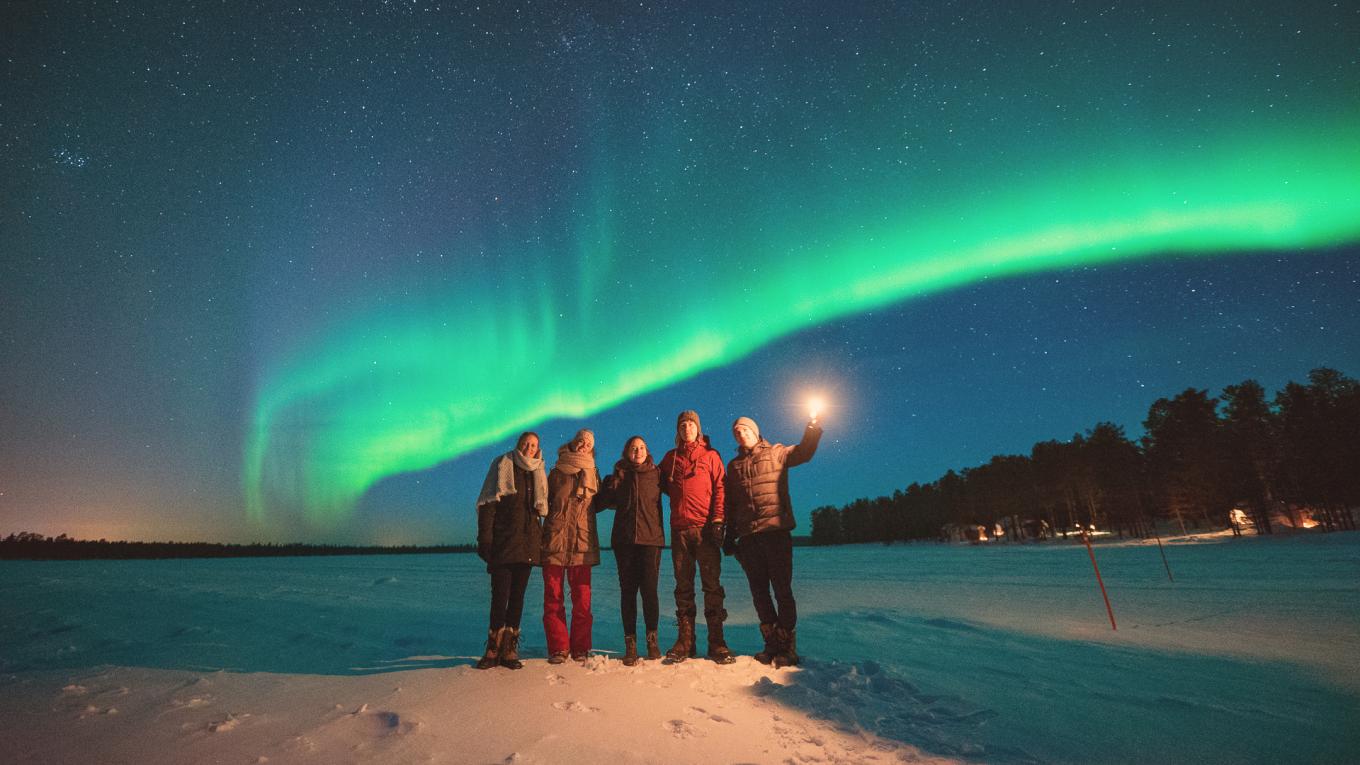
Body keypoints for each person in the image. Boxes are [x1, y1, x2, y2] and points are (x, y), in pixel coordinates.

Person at [724, 414, 822, 667]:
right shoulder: (733, 466)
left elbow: (804, 453)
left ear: (755, 431)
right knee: (759, 593)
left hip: (775, 533)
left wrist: (812, 428)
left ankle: (787, 645)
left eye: (745, 429)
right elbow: (731, 504)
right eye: (737, 432)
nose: (741, 434)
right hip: (748, 538)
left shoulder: (776, 453)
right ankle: (771, 644)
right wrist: (729, 535)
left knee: (782, 590)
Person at [658, 410, 734, 664]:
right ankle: (685, 642)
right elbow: (657, 481)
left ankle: (717, 642)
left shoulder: (711, 456)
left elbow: (721, 488)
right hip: (679, 531)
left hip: (705, 530)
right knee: (683, 587)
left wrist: (718, 519)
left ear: (698, 428)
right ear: (678, 430)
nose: (686, 428)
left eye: (691, 424)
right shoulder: (671, 458)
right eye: (682, 425)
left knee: (712, 585)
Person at [473, 431, 548, 670]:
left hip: (528, 545)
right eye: (525, 443)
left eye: (533, 445)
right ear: (518, 444)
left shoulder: (538, 470)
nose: (529, 448)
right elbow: (488, 504)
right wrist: (485, 540)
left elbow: (540, 511)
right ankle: (492, 649)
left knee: (517, 598)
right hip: (504, 543)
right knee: (500, 597)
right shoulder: (502, 464)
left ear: (537, 449)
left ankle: (509, 649)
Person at [599, 436, 666, 665]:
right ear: (627, 452)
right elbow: (599, 504)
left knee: (649, 591)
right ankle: (631, 645)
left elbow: (679, 491)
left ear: (647, 451)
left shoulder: (657, 474)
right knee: (628, 592)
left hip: (651, 540)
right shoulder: (619, 475)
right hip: (624, 541)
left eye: (642, 447)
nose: (638, 451)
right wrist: (602, 485)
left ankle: (652, 641)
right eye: (633, 448)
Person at [541, 429, 603, 663]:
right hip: (555, 541)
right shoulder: (556, 471)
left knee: (582, 599)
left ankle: (580, 647)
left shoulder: (593, 472)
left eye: (588, 443)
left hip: (582, 543)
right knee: (553, 596)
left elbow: (603, 501)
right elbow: (542, 501)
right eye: (580, 441)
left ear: (591, 448)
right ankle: (559, 647)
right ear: (573, 442)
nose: (583, 445)